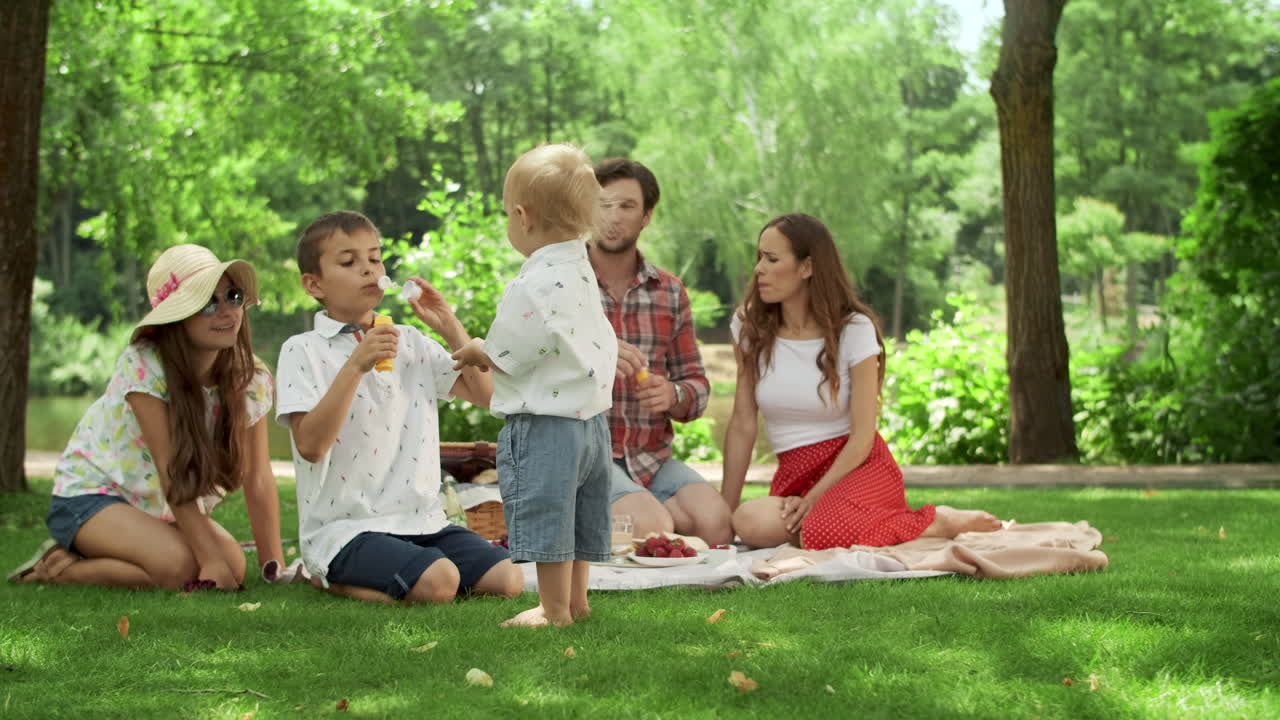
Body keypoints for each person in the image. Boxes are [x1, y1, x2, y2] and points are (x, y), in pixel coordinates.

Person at [276, 210, 523, 606]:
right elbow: (310, 445)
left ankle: (401, 575)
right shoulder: (301, 350)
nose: (368, 270)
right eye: (348, 261)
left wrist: (448, 325)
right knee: (441, 583)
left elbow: (487, 395)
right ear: (313, 284)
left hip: (422, 521)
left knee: (508, 579)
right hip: (346, 529)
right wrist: (356, 365)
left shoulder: (411, 341)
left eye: (374, 259)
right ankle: (322, 573)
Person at [9, 244, 287, 590]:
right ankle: (57, 570)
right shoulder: (145, 364)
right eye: (207, 303)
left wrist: (273, 567)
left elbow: (258, 477)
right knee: (179, 568)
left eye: (231, 296)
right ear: (176, 319)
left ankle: (121, 551)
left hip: (158, 507)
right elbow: (171, 470)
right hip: (94, 495)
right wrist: (208, 559)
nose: (227, 312)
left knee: (233, 565)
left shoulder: (251, 379)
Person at [721, 213, 1002, 549]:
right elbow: (741, 424)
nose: (758, 269)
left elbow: (863, 435)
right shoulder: (750, 327)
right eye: (758, 258)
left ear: (807, 267)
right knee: (748, 523)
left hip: (856, 465)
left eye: (771, 259)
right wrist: (725, 512)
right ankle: (878, 526)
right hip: (795, 471)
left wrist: (814, 497)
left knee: (824, 528)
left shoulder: (854, 330)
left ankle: (933, 522)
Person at [452, 143, 618, 628]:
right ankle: (577, 600)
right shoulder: (581, 269)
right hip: (590, 425)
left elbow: (518, 344)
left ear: (523, 217)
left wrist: (481, 349)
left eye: (508, 214)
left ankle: (552, 609)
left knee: (548, 513)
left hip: (547, 426)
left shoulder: (534, 279)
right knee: (578, 514)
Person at [588, 158, 732, 546]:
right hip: (586, 457)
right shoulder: (566, 284)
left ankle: (630, 513)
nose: (612, 217)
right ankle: (614, 515)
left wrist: (674, 394)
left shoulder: (669, 292)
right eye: (602, 205)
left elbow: (697, 385)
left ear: (646, 216)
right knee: (654, 527)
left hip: (651, 459)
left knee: (717, 526)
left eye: (626, 206)